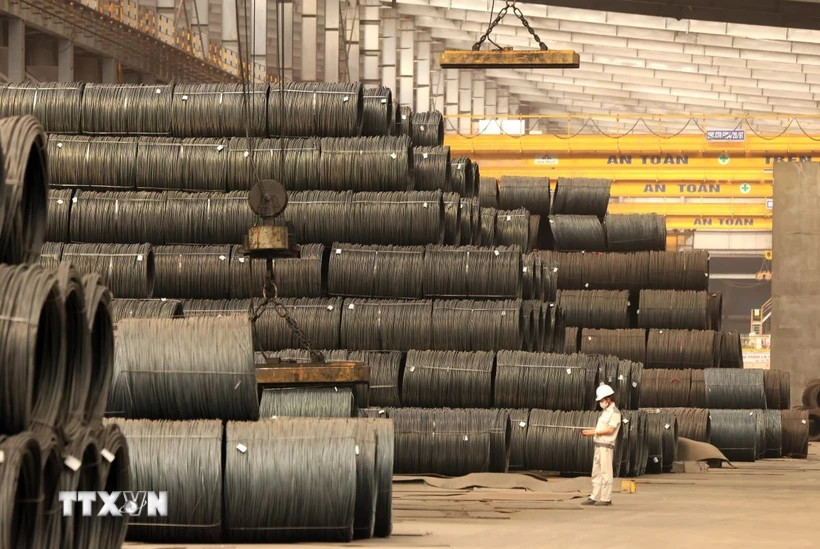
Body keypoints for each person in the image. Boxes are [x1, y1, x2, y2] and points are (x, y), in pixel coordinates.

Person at [580, 384, 621, 507]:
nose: (601, 403)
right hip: (598, 445)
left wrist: (594, 432)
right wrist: (592, 432)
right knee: (596, 472)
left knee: (605, 473)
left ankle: (606, 499)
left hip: (606, 447)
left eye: (602, 400)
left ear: (608, 399)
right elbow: (601, 428)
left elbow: (610, 430)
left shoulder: (615, 413)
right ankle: (594, 496)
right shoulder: (605, 412)